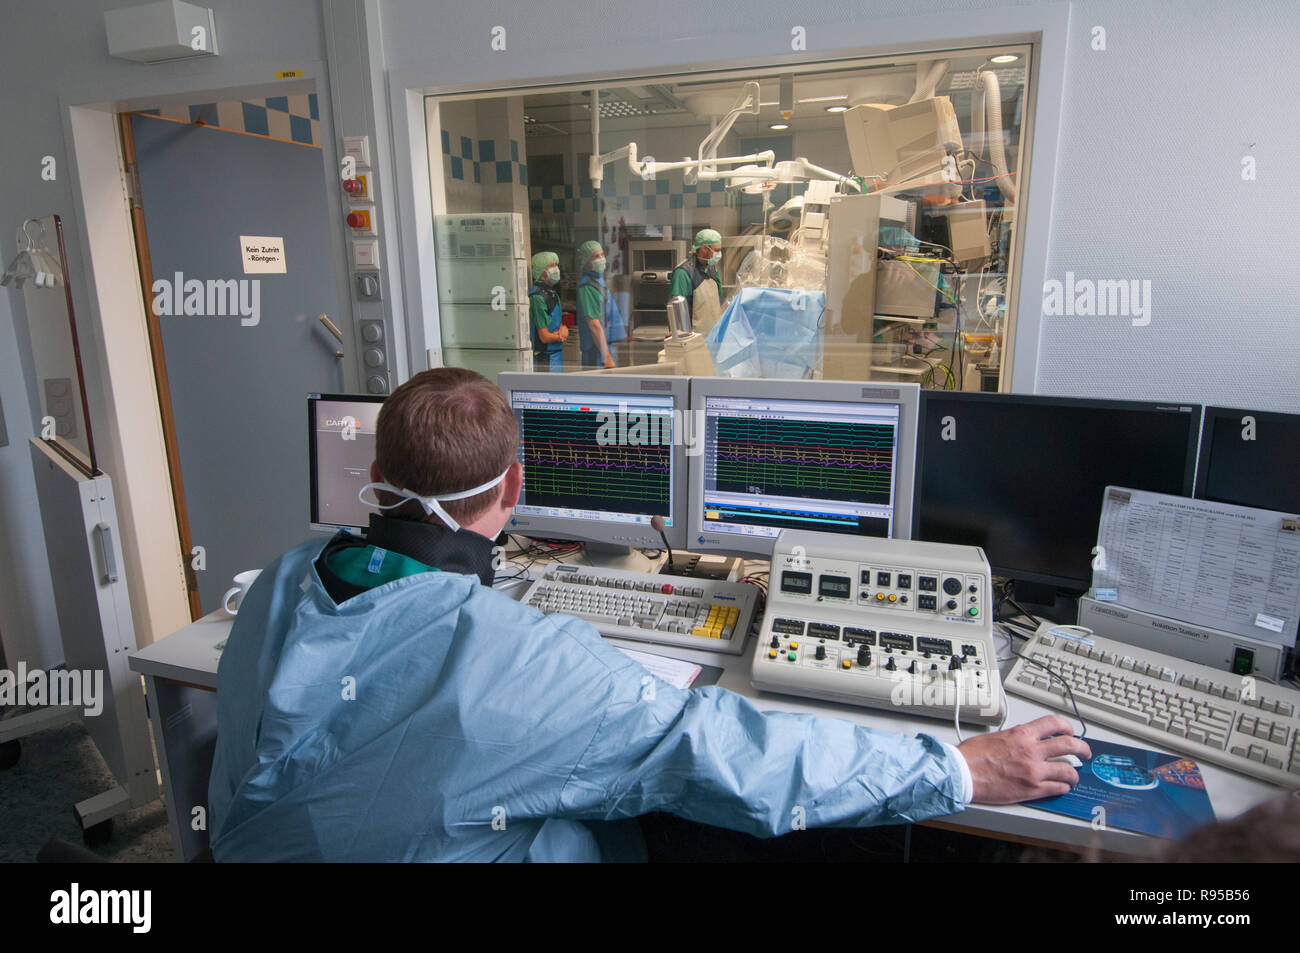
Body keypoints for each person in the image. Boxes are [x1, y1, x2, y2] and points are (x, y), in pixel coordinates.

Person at [207, 368, 1091, 862]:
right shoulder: (525, 660)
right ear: (515, 486)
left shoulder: (286, 579)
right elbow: (733, 756)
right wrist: (958, 770)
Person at [574, 240, 624, 369]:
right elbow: (594, 325)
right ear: (586, 261)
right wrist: (606, 357)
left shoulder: (598, 281)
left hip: (605, 347)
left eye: (602, 255)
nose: (601, 259)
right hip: (596, 353)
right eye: (596, 256)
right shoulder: (587, 287)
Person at [669, 228, 725, 332]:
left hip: (713, 338)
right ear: (704, 248)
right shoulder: (683, 273)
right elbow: (677, 315)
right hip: (694, 340)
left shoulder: (712, 270)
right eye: (716, 250)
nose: (719, 254)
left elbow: (719, 304)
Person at [528, 251, 567, 372]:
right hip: (545, 359)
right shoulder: (537, 297)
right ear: (542, 271)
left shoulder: (552, 294)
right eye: (551, 266)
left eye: (556, 265)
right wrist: (561, 335)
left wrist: (562, 329)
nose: (556, 269)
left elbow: (555, 323)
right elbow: (544, 337)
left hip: (555, 356)